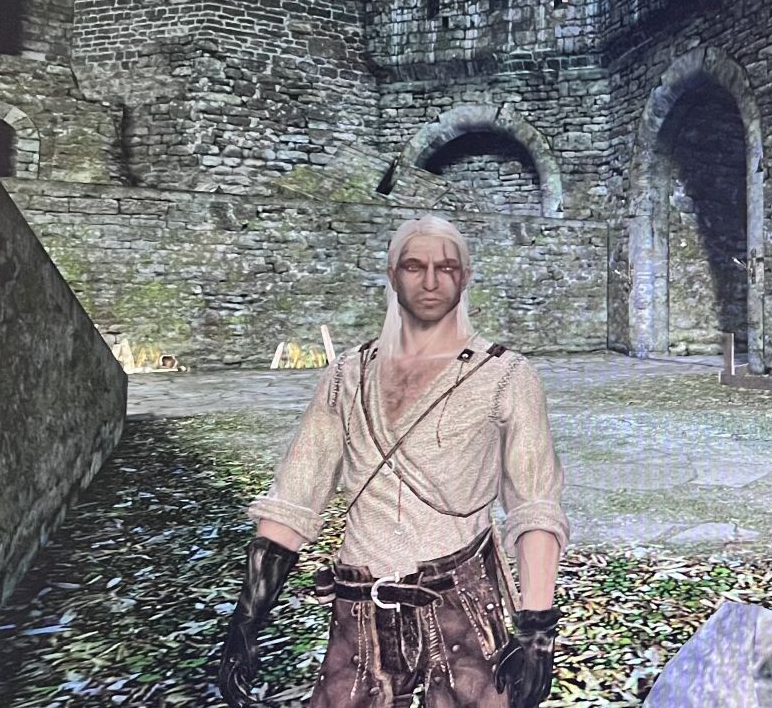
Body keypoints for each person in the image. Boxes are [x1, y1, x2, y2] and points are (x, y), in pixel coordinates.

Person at [217, 215, 570, 707]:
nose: (431, 281)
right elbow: (294, 500)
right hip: (359, 616)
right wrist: (246, 620)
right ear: (392, 273)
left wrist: (536, 630)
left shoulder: (506, 376)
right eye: (414, 266)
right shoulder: (347, 375)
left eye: (446, 267)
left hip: (462, 611)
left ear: (465, 276)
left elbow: (534, 506)